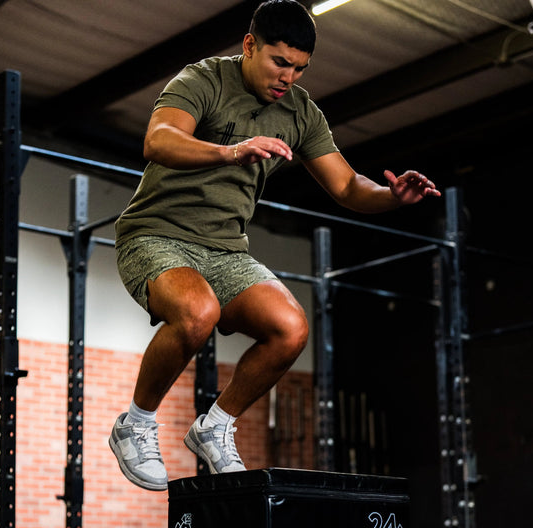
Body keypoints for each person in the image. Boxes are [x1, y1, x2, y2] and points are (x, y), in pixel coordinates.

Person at [109, 0, 440, 490]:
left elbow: (348, 186)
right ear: (250, 45)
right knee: (198, 313)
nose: (288, 77)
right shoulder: (203, 80)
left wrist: (392, 197)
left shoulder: (300, 112)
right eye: (280, 62)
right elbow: (158, 141)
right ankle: (134, 424)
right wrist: (231, 151)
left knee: (290, 328)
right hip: (156, 234)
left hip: (226, 250)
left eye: (300, 68)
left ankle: (215, 426)